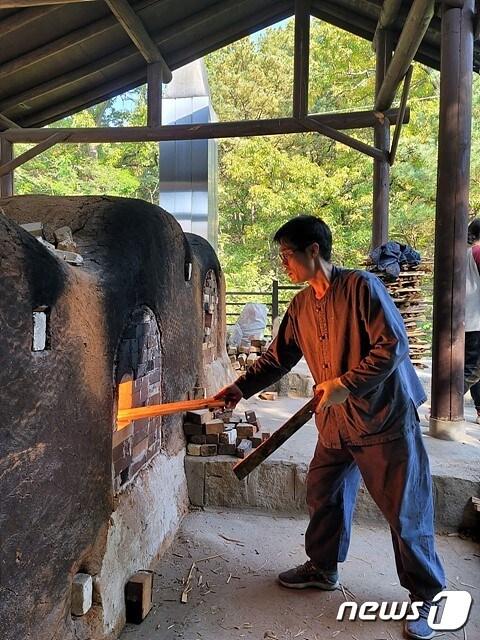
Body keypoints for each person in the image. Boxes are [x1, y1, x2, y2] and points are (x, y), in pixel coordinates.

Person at [216, 215, 445, 640]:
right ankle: (323, 568)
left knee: (405, 509)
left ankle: (427, 597)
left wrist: (346, 383)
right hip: (336, 422)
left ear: (313, 251)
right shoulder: (302, 305)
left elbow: (393, 346)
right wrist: (239, 388)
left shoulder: (362, 288)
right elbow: (278, 357)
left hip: (384, 417)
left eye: (288, 255)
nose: (284, 264)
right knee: (324, 491)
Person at [464, 218, 480, 423]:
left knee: (472, 366)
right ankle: (447, 400)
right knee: (473, 369)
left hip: (465, 319)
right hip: (476, 318)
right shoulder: (477, 253)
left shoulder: (464, 254)